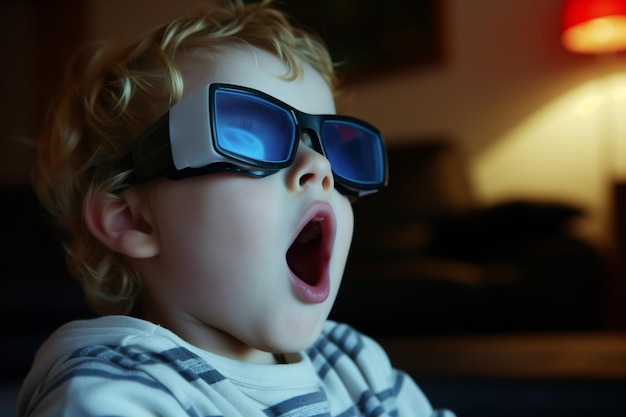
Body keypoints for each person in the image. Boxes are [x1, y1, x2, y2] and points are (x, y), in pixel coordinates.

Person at [17, 1, 455, 416]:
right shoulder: (113, 391)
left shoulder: (355, 364)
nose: (320, 167)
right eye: (250, 138)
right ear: (133, 219)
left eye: (335, 149)